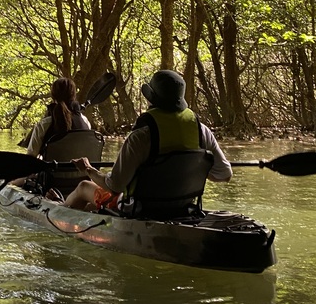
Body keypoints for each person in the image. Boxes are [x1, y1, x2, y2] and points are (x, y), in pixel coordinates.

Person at [64, 69, 231, 213]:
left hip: (139, 209)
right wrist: (194, 168)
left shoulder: (141, 136)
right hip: (183, 206)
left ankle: (59, 214)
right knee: (93, 207)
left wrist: (88, 169)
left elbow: (114, 186)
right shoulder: (202, 131)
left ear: (151, 99)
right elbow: (224, 174)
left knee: (84, 187)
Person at [24, 77, 91, 158]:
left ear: (53, 96)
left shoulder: (43, 125)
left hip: (52, 170)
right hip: (79, 170)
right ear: (73, 95)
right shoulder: (86, 122)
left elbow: (30, 158)